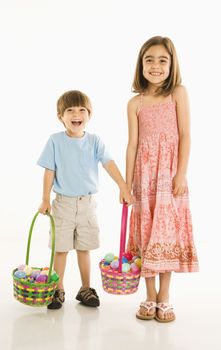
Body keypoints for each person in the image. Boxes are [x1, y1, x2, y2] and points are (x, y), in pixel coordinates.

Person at [37, 90, 133, 310]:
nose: (76, 114)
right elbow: (49, 172)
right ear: (61, 116)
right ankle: (57, 288)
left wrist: (123, 185)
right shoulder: (55, 141)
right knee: (60, 249)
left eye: (81, 110)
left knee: (84, 247)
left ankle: (85, 288)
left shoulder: (94, 141)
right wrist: (45, 199)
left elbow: (109, 163)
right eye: (70, 110)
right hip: (63, 204)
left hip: (87, 204)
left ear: (89, 114)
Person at [126, 36, 199, 322]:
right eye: (149, 59)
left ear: (172, 64)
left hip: (169, 175)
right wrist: (128, 183)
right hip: (144, 178)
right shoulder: (135, 103)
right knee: (146, 234)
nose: (155, 65)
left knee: (166, 234)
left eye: (162, 60)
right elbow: (132, 143)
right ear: (141, 64)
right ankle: (149, 295)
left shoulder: (177, 93)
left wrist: (181, 173)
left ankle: (165, 297)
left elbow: (186, 135)